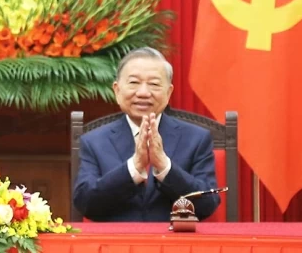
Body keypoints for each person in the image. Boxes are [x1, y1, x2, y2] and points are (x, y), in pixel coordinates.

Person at [72, 48, 219, 222]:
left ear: (168, 92)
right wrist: (134, 167)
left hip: (175, 244)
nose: (143, 92)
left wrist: (165, 166)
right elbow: (85, 203)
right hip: (117, 245)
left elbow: (208, 204)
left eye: (154, 84)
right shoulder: (93, 141)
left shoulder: (196, 139)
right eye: (134, 82)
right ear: (117, 90)